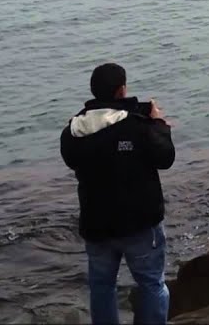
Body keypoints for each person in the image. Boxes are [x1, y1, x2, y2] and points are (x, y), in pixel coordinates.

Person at [60, 63, 175, 325]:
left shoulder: (73, 132)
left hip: (96, 225)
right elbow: (165, 157)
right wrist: (158, 124)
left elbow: (72, 156)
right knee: (152, 284)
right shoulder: (138, 126)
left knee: (101, 288)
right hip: (140, 223)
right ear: (122, 90)